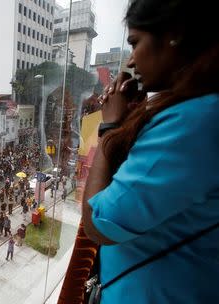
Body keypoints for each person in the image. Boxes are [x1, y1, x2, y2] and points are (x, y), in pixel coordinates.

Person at [74, 1, 219, 303]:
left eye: (135, 43)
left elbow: (98, 223)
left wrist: (110, 128)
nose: (131, 60)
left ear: (174, 35)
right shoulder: (198, 107)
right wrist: (131, 80)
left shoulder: (189, 123)